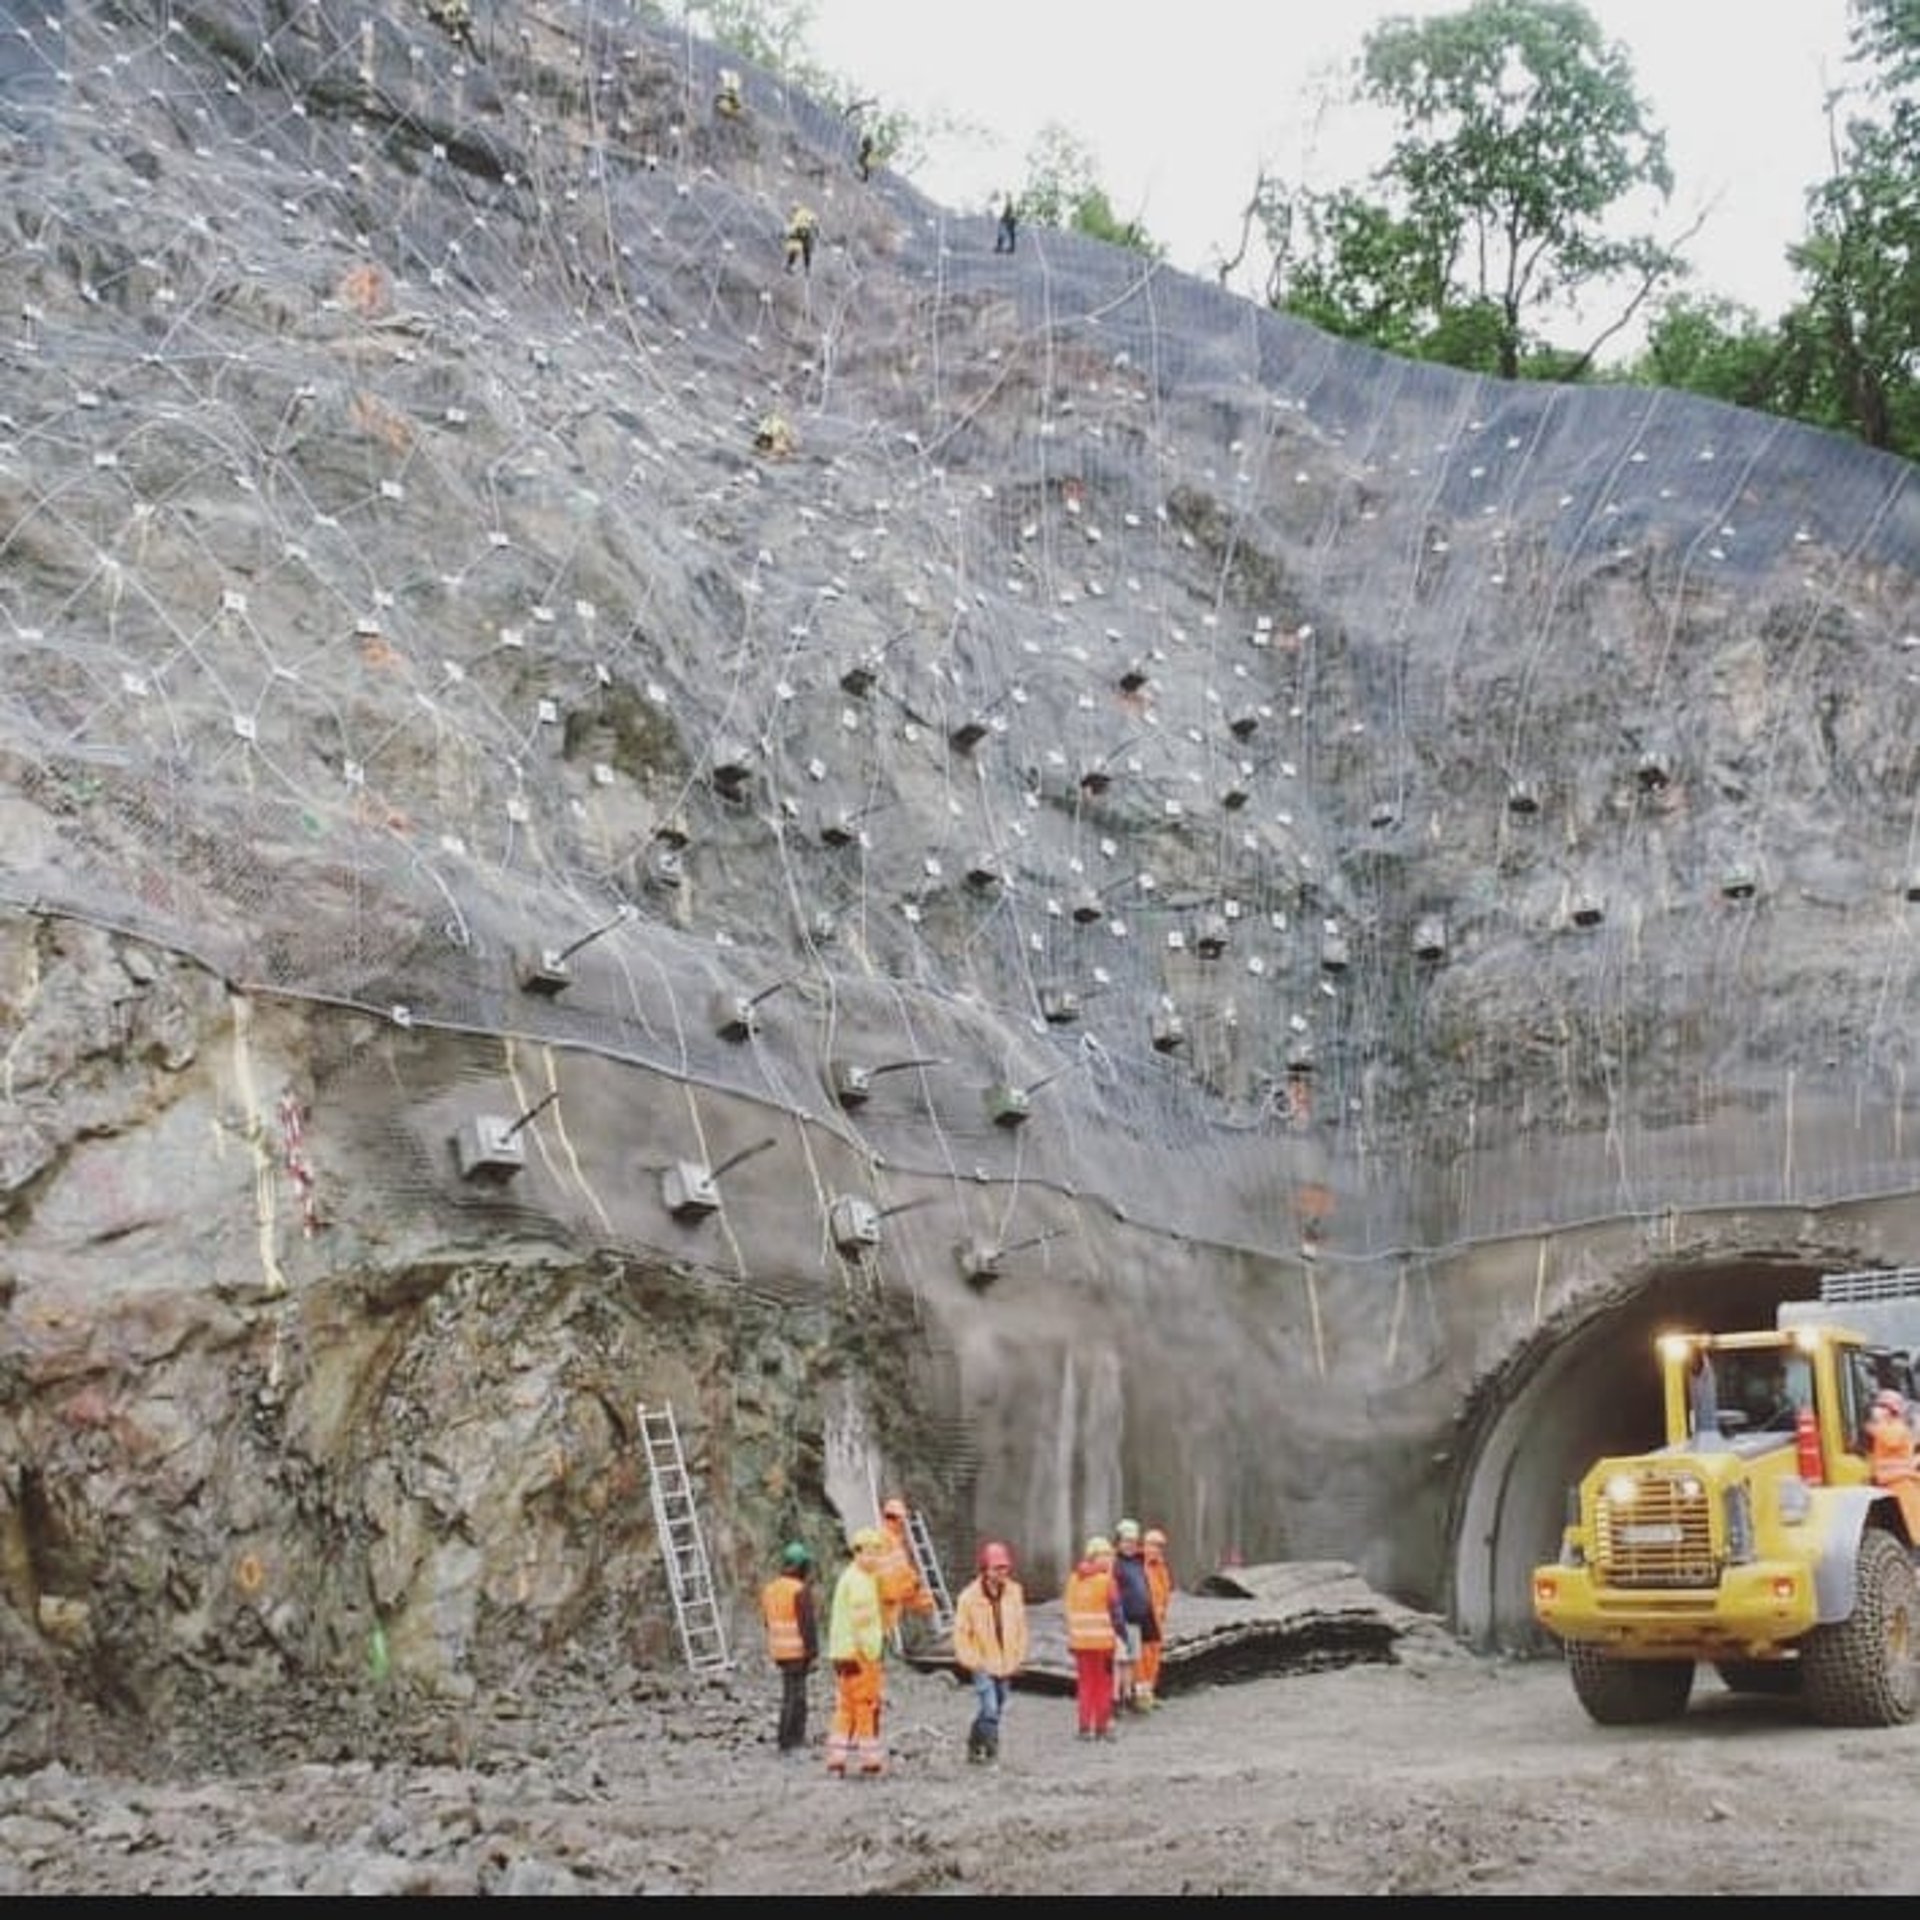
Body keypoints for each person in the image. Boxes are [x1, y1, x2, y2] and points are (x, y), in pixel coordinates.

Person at [952, 1539, 1028, 1764]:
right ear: (985, 1569)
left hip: (1006, 1663)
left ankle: (975, 1745)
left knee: (996, 1707)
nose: (1002, 1572)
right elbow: (961, 1633)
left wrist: (1018, 1655)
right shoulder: (968, 1598)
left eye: (1005, 1567)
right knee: (990, 1708)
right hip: (982, 1662)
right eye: (997, 1568)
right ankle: (992, 1754)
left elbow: (1021, 1627)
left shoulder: (1015, 1592)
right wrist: (971, 1660)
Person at [825, 1526, 889, 1777]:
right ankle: (869, 1759)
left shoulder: (850, 1577)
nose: (873, 1558)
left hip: (842, 1653)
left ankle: (836, 1758)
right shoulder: (861, 1582)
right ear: (858, 1553)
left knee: (845, 1707)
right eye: (869, 1553)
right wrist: (874, 1651)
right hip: (861, 1654)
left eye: (877, 1553)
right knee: (865, 1705)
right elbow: (864, 1624)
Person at [1063, 1534, 1125, 1741]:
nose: (1109, 1559)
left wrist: (1072, 1637)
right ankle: (1101, 1726)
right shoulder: (1107, 1582)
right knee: (1104, 1684)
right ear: (1095, 1557)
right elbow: (1117, 1614)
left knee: (1085, 1685)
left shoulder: (1073, 1580)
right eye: (1105, 1555)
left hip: (1080, 1643)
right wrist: (1122, 1637)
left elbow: (1068, 1610)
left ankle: (1084, 1728)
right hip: (1103, 1643)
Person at [759, 1539, 819, 1755]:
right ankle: (792, 1739)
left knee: (789, 1694)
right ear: (800, 1566)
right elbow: (807, 1625)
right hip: (797, 1651)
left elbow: (767, 1621)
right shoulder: (799, 1590)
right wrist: (813, 1652)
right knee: (797, 1696)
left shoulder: (770, 1589)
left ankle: (785, 1738)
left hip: (779, 1650)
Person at [873, 1496, 936, 1651]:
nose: (903, 1522)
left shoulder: (893, 1540)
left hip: (892, 1600)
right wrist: (913, 1585)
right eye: (901, 1518)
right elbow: (895, 1575)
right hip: (887, 1601)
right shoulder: (885, 1540)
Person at [1109, 1518, 1159, 1712]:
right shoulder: (1115, 1563)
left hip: (1137, 1620)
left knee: (1131, 1660)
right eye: (1126, 1541)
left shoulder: (1138, 1562)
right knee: (1119, 1661)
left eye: (1133, 1542)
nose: (1130, 1545)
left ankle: (1129, 1694)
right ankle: (1116, 1697)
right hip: (1121, 1619)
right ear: (1118, 1542)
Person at [1137, 1526, 1174, 1710]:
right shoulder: (1137, 1565)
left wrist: (1163, 1613)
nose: (1157, 1549)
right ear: (1145, 1545)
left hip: (1157, 1621)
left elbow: (1165, 1592)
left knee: (1153, 1658)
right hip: (1143, 1620)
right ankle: (1141, 1696)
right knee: (1142, 1659)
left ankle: (1149, 1692)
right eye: (1154, 1545)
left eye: (1160, 1546)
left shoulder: (1160, 1567)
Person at [1868, 1388, 1916, 1485]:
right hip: (1892, 1480)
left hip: (1901, 1482)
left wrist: (1875, 1426)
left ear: (1892, 1410)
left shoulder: (1896, 1428)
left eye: (1881, 1406)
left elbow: (1890, 1441)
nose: (1876, 1409)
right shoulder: (1890, 1427)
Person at [785, 204, 818, 275]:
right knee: (804, 250)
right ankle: (806, 268)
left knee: (797, 249)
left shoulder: (801, 213)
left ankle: (790, 265)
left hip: (800, 232)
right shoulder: (803, 213)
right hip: (803, 232)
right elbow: (813, 220)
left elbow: (812, 219)